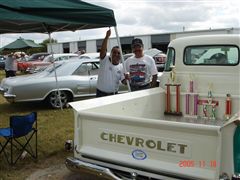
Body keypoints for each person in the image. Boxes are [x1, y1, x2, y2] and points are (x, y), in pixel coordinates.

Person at [96, 29, 123, 97]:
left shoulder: (121, 67)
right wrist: (107, 37)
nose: (116, 54)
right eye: (114, 52)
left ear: (121, 55)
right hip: (101, 94)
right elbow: (103, 50)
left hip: (114, 94)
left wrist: (127, 78)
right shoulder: (104, 60)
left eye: (118, 53)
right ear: (110, 53)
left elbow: (123, 81)